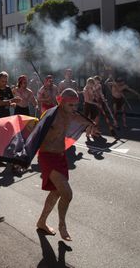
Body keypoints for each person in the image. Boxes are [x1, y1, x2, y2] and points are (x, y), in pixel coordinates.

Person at [36, 89, 99, 241]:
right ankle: (62, 225)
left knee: (57, 192)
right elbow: (35, 133)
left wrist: (91, 126)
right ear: (62, 102)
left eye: (76, 105)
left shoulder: (71, 114)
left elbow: (82, 120)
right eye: (70, 105)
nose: (74, 108)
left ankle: (41, 222)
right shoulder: (50, 115)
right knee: (67, 193)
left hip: (60, 157)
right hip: (47, 157)